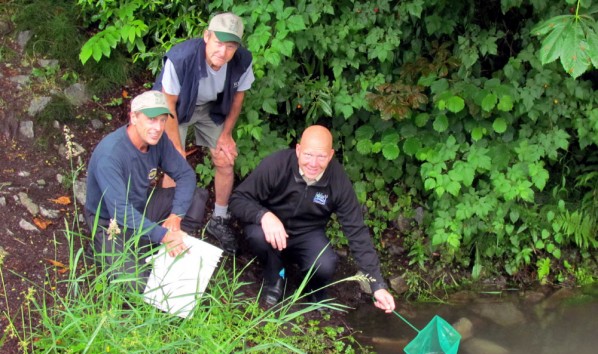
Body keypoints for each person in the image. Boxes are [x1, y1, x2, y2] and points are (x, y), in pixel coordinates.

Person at [229, 125, 396, 313]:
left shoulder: (338, 181)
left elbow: (356, 231)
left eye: (321, 157)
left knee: (326, 264)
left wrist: (377, 285)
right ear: (298, 150)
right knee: (256, 235)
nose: (313, 163)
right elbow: (238, 199)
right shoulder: (277, 164)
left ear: (331, 155)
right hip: (271, 230)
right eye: (308, 155)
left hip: (307, 234)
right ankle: (275, 277)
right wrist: (264, 215)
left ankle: (312, 288)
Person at [84, 90, 208, 292]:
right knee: (140, 284)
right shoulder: (111, 155)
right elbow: (120, 211)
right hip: (110, 221)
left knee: (196, 198)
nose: (157, 128)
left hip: (141, 205)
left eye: (162, 120)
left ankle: (163, 245)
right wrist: (163, 235)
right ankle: (101, 248)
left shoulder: (158, 141)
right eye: (151, 120)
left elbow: (186, 175)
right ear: (133, 117)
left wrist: (175, 217)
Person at [153, 12, 255, 254]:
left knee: (225, 158)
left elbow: (238, 100)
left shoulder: (243, 61)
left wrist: (226, 134)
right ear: (206, 36)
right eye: (219, 43)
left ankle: (219, 219)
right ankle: (168, 223)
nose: (223, 51)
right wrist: (177, 147)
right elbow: (168, 105)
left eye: (230, 46)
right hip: (176, 109)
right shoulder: (180, 58)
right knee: (174, 165)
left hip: (211, 110)